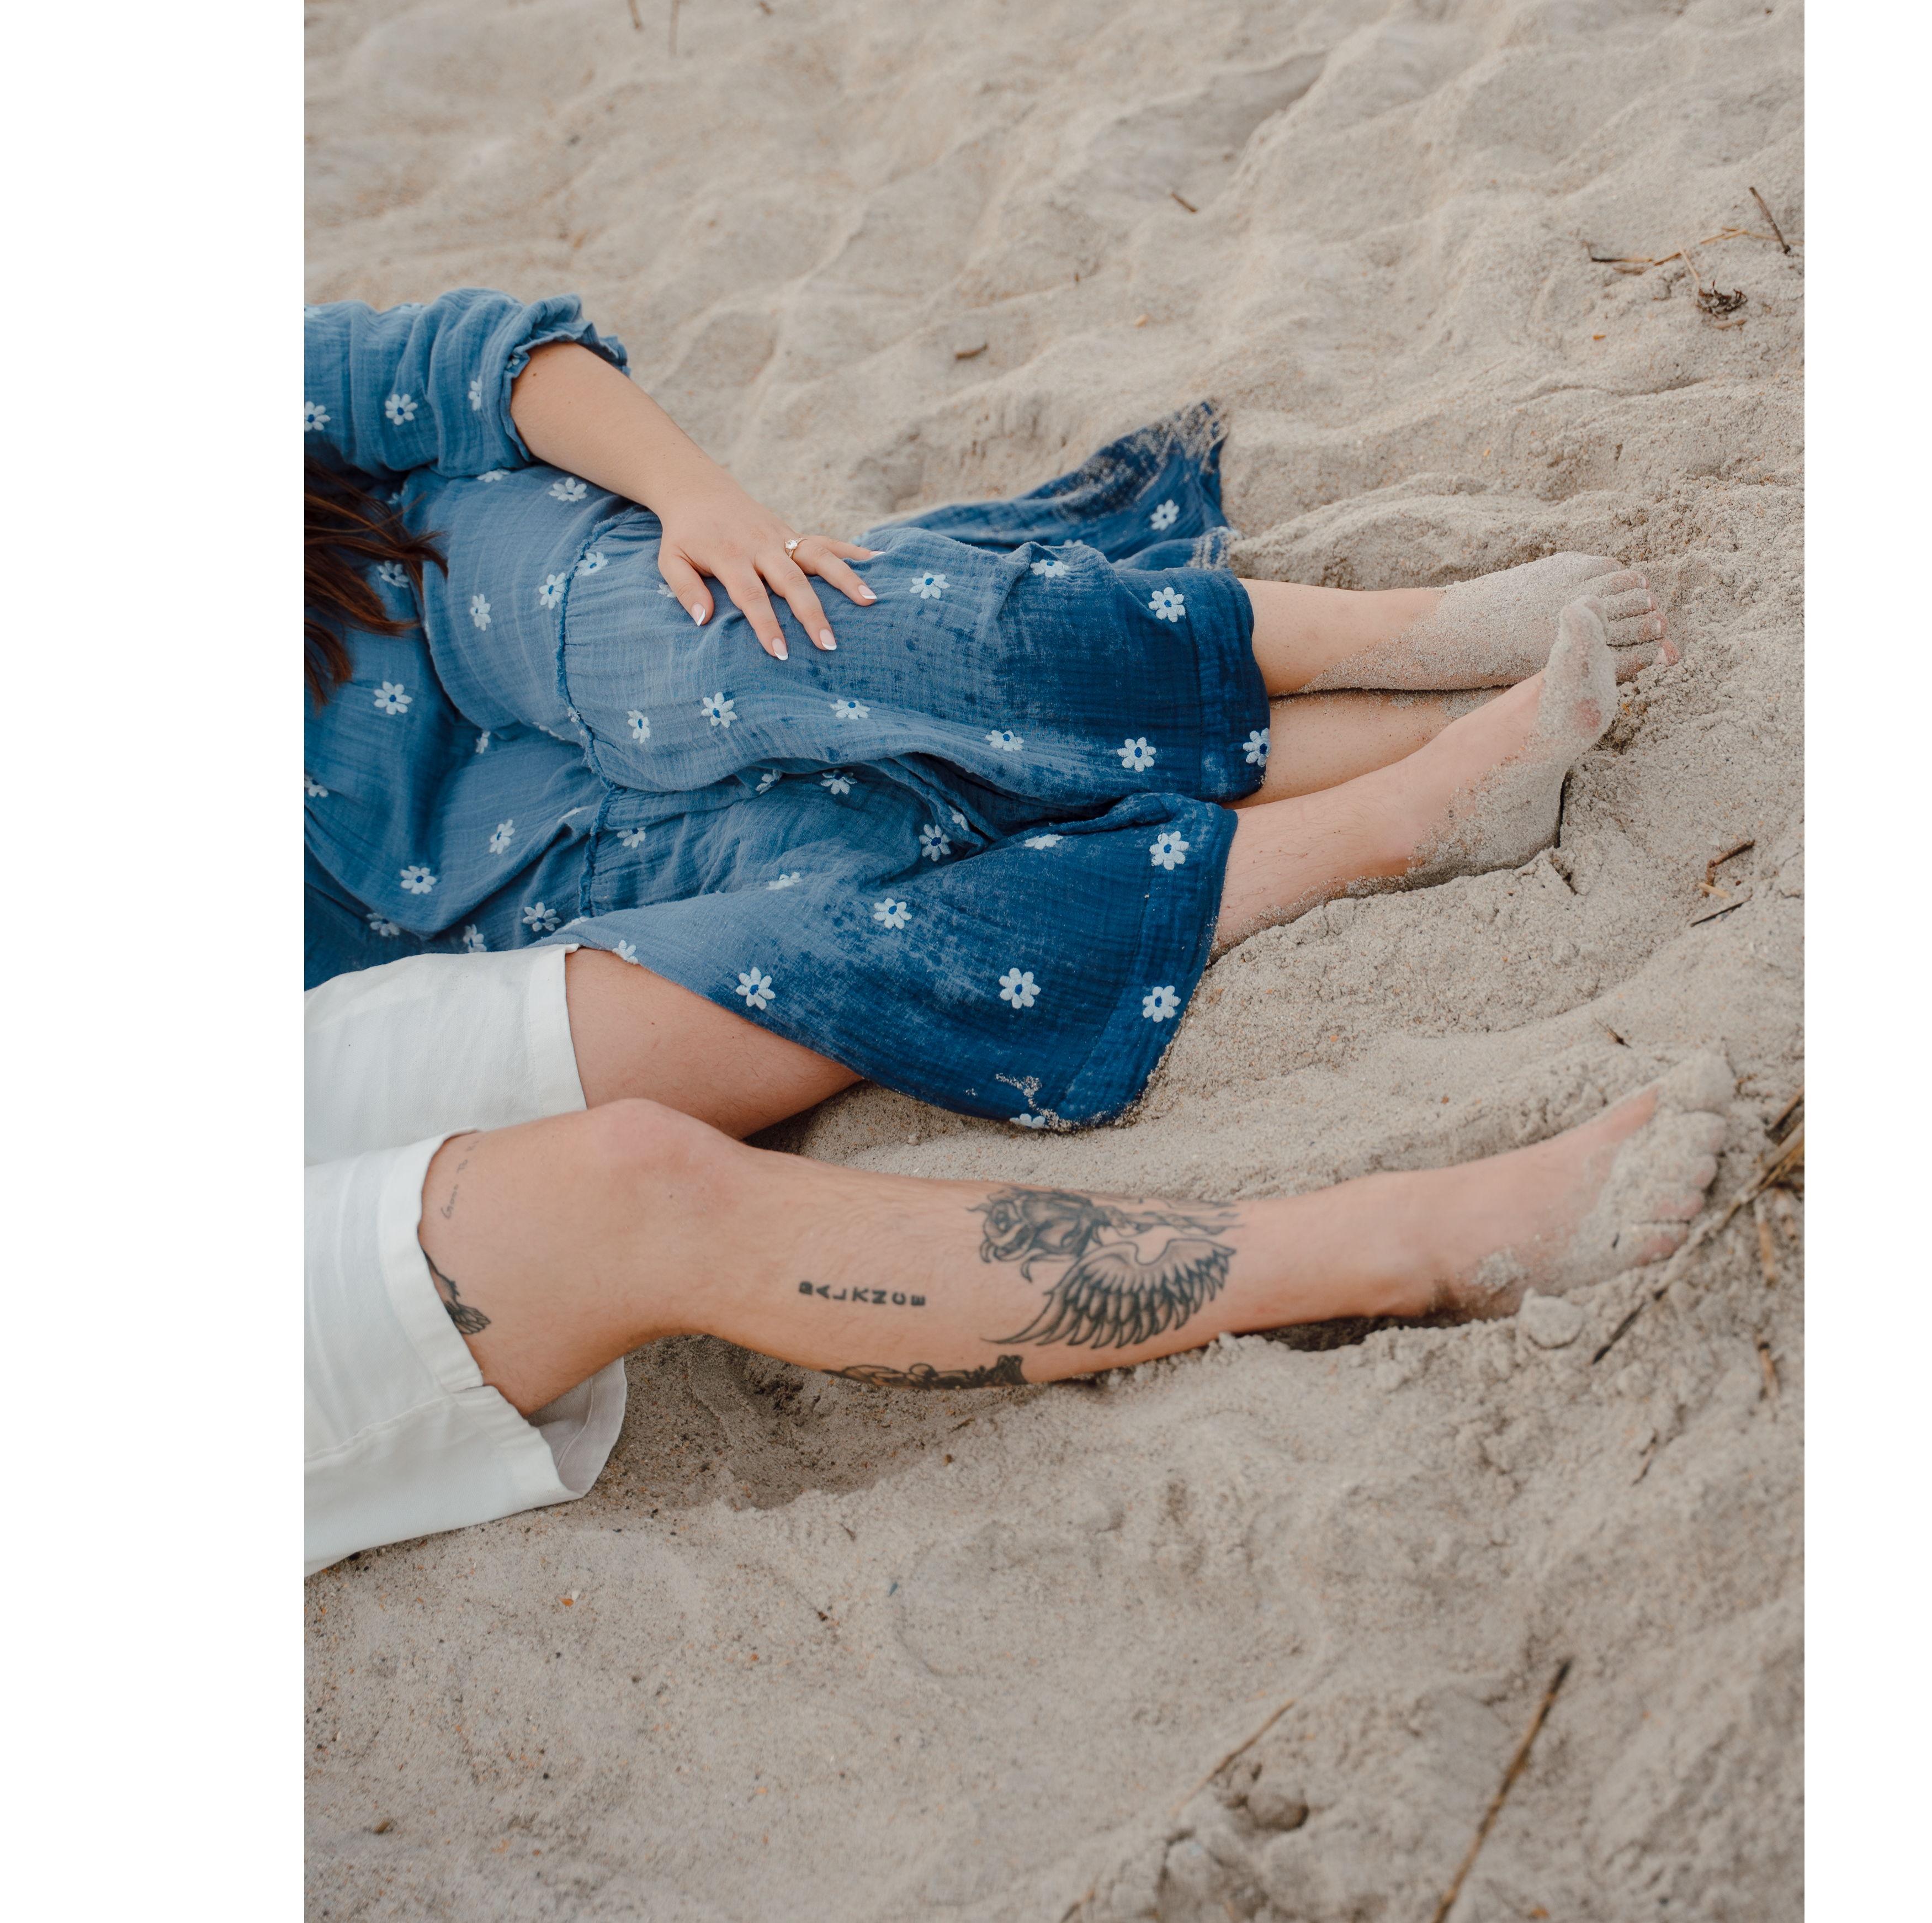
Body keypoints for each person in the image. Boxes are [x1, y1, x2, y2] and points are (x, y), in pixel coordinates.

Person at [304, 287, 1704, 1576]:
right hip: (466, 878)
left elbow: (473, 361)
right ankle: (1408, 780)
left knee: (765, 647)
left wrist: (696, 495)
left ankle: (1390, 632)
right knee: (836, 852)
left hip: (479, 592)